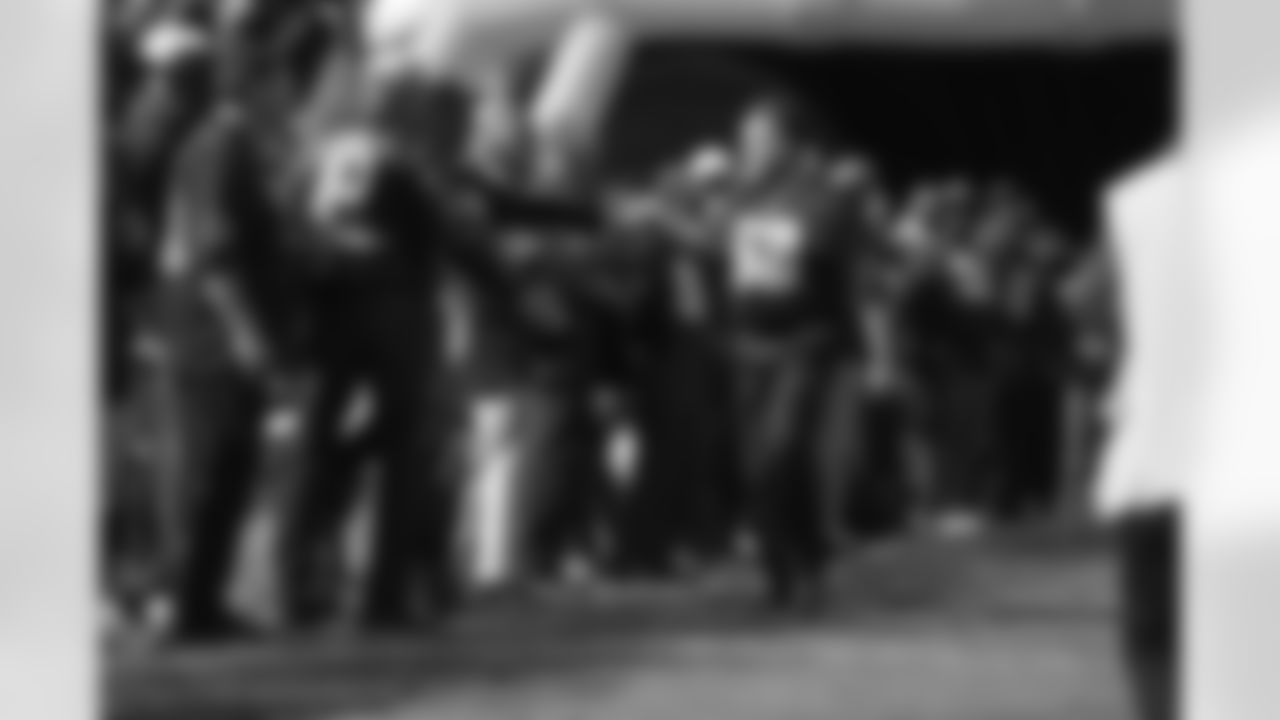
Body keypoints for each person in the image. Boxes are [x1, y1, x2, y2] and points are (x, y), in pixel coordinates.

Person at [152, 4, 307, 641]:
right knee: (207, 472)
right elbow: (213, 254)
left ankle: (205, 603)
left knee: (233, 470)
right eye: (282, 84)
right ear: (254, 87)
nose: (290, 97)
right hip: (211, 339)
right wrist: (247, 336)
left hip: (227, 336)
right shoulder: (222, 145)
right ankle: (182, 603)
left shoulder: (243, 147)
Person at [714, 97, 867, 609]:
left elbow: (816, 245)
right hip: (748, 347)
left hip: (801, 344)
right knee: (756, 464)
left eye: (757, 139)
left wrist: (754, 235)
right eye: (743, 138)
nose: (746, 149)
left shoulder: (824, 195)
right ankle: (782, 572)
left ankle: (808, 564)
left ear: (788, 144)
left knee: (785, 450)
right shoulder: (741, 195)